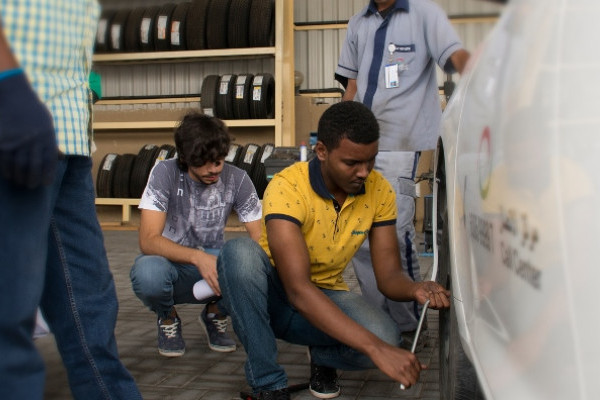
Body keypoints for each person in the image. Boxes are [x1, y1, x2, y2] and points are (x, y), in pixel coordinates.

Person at [216, 101, 450, 399]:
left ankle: (323, 358)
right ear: (322, 151)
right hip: (273, 295)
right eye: (352, 163)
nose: (364, 172)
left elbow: (389, 275)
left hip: (325, 294)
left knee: (387, 336)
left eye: (371, 161)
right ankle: (268, 383)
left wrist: (416, 288)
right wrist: (375, 349)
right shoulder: (288, 186)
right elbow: (297, 289)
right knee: (239, 254)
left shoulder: (379, 191)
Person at [0, 1, 142, 399]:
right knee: (10, 316)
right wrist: (8, 81)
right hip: (14, 124)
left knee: (89, 301)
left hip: (69, 134)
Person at [334, 0, 470, 346]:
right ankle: (377, 319)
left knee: (394, 231)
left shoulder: (425, 16)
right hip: (357, 143)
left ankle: (408, 323)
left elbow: (458, 59)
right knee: (361, 234)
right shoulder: (357, 24)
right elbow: (350, 86)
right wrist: (339, 133)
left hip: (399, 142)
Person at [130, 112, 262, 357]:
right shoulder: (164, 173)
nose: (213, 170)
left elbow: (260, 239)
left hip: (214, 266)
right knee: (147, 273)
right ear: (185, 158)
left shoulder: (238, 179)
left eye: (218, 161)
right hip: (172, 265)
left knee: (249, 266)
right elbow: (148, 240)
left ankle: (216, 312)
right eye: (203, 163)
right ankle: (167, 317)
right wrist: (197, 257)